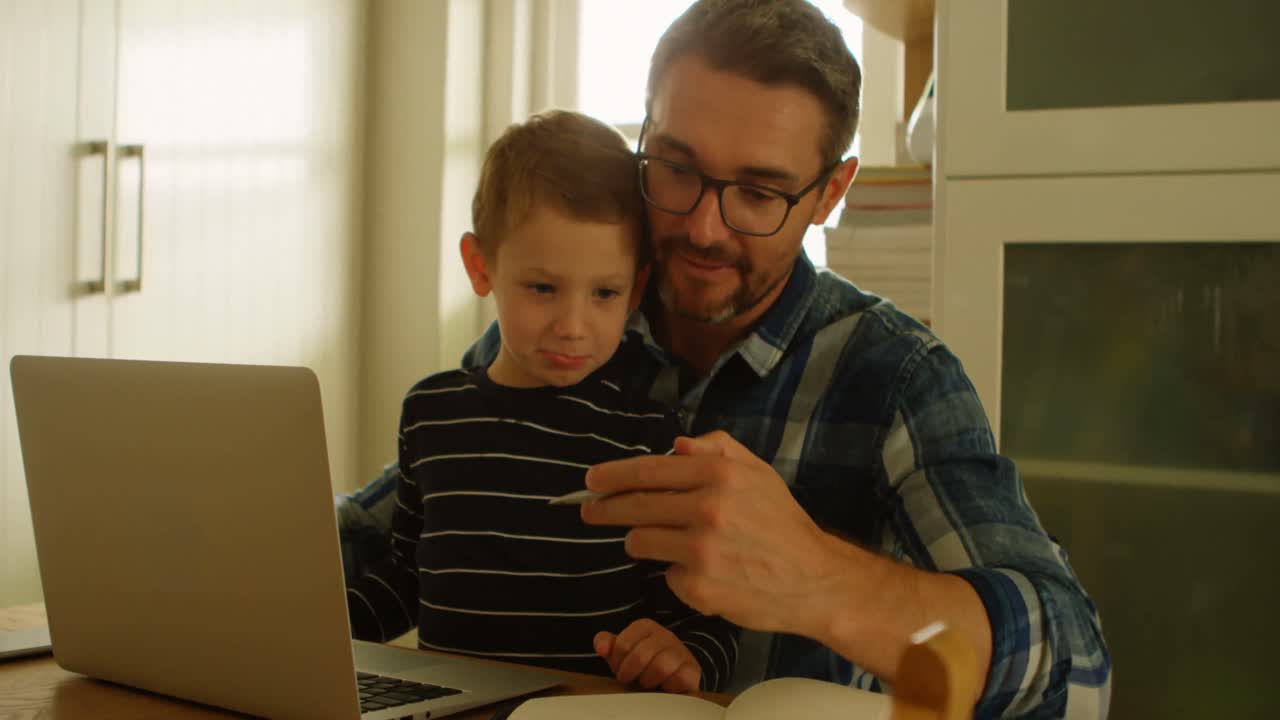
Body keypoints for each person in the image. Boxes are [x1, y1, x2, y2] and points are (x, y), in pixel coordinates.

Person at [342, 1, 1112, 716]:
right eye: (677, 167)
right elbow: (380, 539)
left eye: (759, 191)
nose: (704, 228)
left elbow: (1079, 674)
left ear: (830, 191)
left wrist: (822, 581)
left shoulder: (894, 378)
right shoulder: (569, 322)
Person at [343, 110, 739, 693]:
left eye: (604, 293)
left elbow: (701, 613)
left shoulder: (648, 439)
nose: (573, 326)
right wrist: (322, 629)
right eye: (543, 289)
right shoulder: (431, 414)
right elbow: (405, 576)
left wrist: (686, 655)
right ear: (482, 267)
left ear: (635, 289)